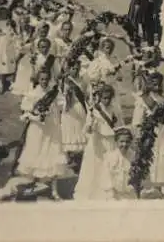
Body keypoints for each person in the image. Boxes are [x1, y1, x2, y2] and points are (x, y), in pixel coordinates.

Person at [15, 70, 67, 200]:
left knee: (53, 156)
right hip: (37, 130)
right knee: (36, 155)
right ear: (38, 80)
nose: (44, 81)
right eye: (42, 79)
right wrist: (36, 117)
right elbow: (24, 115)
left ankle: (54, 190)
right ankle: (31, 188)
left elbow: (63, 105)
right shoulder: (32, 94)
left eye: (46, 79)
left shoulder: (54, 93)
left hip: (52, 129)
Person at [74, 84, 124, 200]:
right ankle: (95, 192)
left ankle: (110, 191)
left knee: (111, 165)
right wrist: (91, 123)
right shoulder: (94, 111)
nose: (106, 100)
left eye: (108, 98)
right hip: (97, 142)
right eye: (104, 98)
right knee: (96, 166)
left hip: (110, 141)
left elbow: (119, 125)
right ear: (99, 97)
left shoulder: (115, 109)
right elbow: (87, 130)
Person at [99, 127, 136, 200]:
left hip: (130, 194)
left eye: (127, 141)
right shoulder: (109, 157)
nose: (124, 144)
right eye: (121, 141)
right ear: (116, 142)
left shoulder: (134, 157)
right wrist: (111, 193)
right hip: (113, 194)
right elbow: (106, 177)